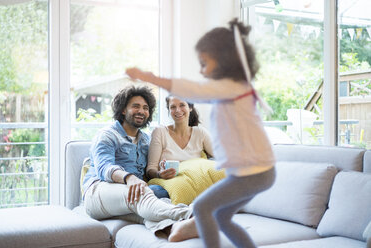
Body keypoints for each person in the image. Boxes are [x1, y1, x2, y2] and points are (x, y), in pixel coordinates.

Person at [126, 18, 276, 248]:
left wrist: (151, 78)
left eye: (204, 63)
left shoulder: (232, 88)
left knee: (202, 208)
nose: (201, 70)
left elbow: (192, 90)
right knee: (220, 217)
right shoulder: (232, 90)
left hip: (254, 171)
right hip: (254, 172)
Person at [82, 85, 192, 234]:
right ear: (123, 110)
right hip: (98, 193)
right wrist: (129, 178)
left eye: (146, 108)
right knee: (142, 193)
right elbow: (104, 168)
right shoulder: (107, 135)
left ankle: (176, 231)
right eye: (136, 106)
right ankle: (195, 214)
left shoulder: (146, 140)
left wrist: (160, 172)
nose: (141, 111)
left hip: (128, 199)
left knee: (156, 204)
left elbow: (148, 172)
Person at [147, 95, 213, 198]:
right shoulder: (160, 132)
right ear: (169, 110)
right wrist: (160, 174)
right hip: (168, 186)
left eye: (182, 105)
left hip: (194, 184)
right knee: (152, 191)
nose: (178, 110)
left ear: (190, 108)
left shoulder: (200, 133)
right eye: (173, 107)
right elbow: (150, 169)